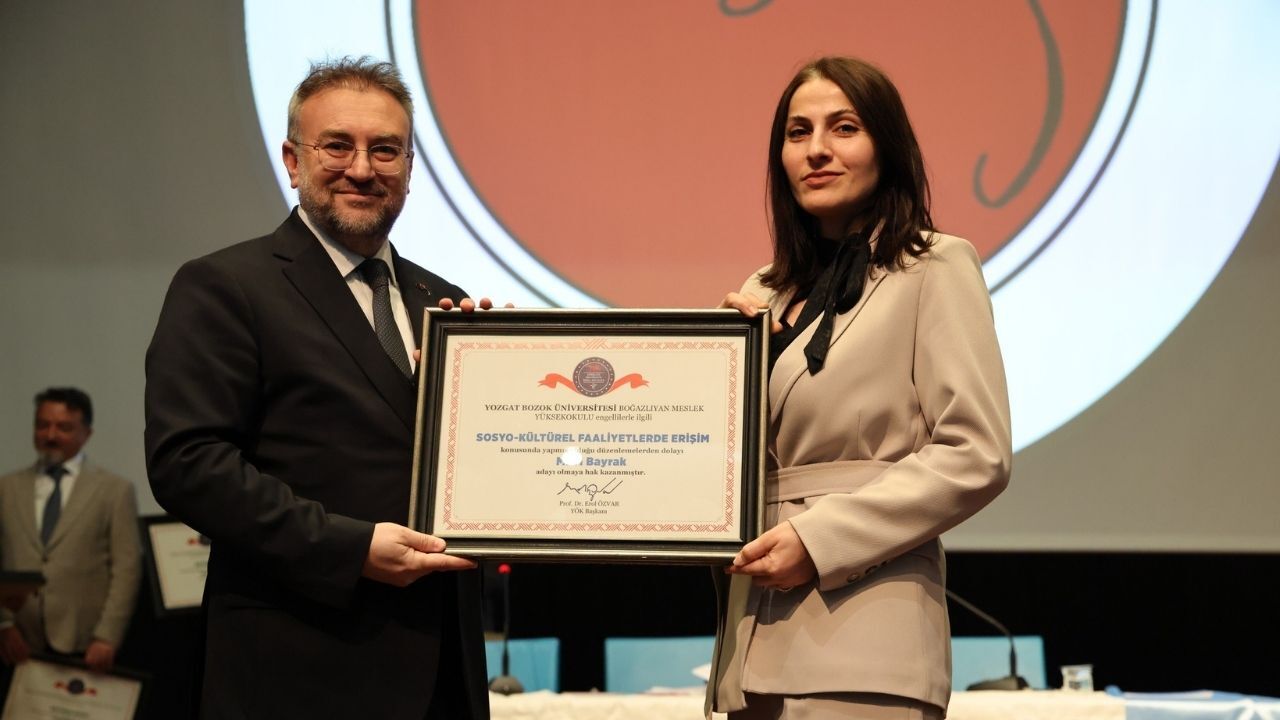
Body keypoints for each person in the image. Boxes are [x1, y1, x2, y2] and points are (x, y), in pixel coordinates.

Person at [144, 57, 491, 719]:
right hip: (295, 670)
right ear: (292, 161)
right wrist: (349, 549)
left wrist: (502, 396)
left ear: (410, 168)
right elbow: (188, 465)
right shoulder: (226, 286)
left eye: (385, 149)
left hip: (443, 672)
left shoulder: (445, 302)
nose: (362, 169)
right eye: (337, 145)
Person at [708, 57, 1013, 719]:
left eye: (843, 128)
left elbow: (976, 454)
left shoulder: (934, 266)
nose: (817, 149)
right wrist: (720, 372)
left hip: (865, 636)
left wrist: (820, 541)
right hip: (750, 642)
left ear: (886, 146)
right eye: (798, 132)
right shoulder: (761, 292)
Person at [0, 387, 141, 674]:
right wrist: (3, 623)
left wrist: (108, 635)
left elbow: (126, 569)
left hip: (84, 642)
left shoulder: (114, 490)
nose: (50, 435)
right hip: (19, 643)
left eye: (64, 427)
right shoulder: (6, 488)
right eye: (42, 425)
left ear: (86, 433)